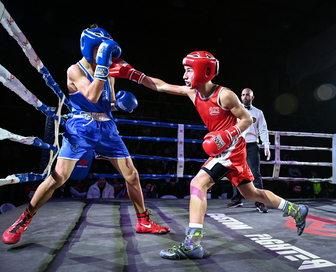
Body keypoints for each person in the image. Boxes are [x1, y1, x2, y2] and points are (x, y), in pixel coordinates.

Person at [109, 51, 309, 260]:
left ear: (203, 72)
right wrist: (133, 75)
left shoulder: (225, 94)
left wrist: (227, 135)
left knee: (197, 184)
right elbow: (161, 86)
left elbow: (247, 119)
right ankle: (295, 209)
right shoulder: (192, 92)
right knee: (251, 193)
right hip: (227, 148)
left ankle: (193, 243)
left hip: (231, 148)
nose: (184, 76)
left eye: (188, 70)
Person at [2, 24, 170, 245]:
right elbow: (91, 96)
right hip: (81, 127)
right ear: (90, 46)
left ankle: (143, 221)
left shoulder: (108, 71)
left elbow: (106, 103)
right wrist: (102, 66)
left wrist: (120, 105)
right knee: (59, 177)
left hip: (107, 129)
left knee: (132, 175)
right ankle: (24, 218)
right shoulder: (75, 70)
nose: (105, 55)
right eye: (101, 49)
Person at [228, 88, 271, 213]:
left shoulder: (258, 113)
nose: (245, 97)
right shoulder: (234, 111)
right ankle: (236, 199)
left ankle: (260, 202)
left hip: (252, 145)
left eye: (247, 95)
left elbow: (263, 129)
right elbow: (229, 127)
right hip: (237, 145)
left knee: (255, 173)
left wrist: (266, 145)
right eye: (243, 95)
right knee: (235, 172)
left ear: (252, 97)